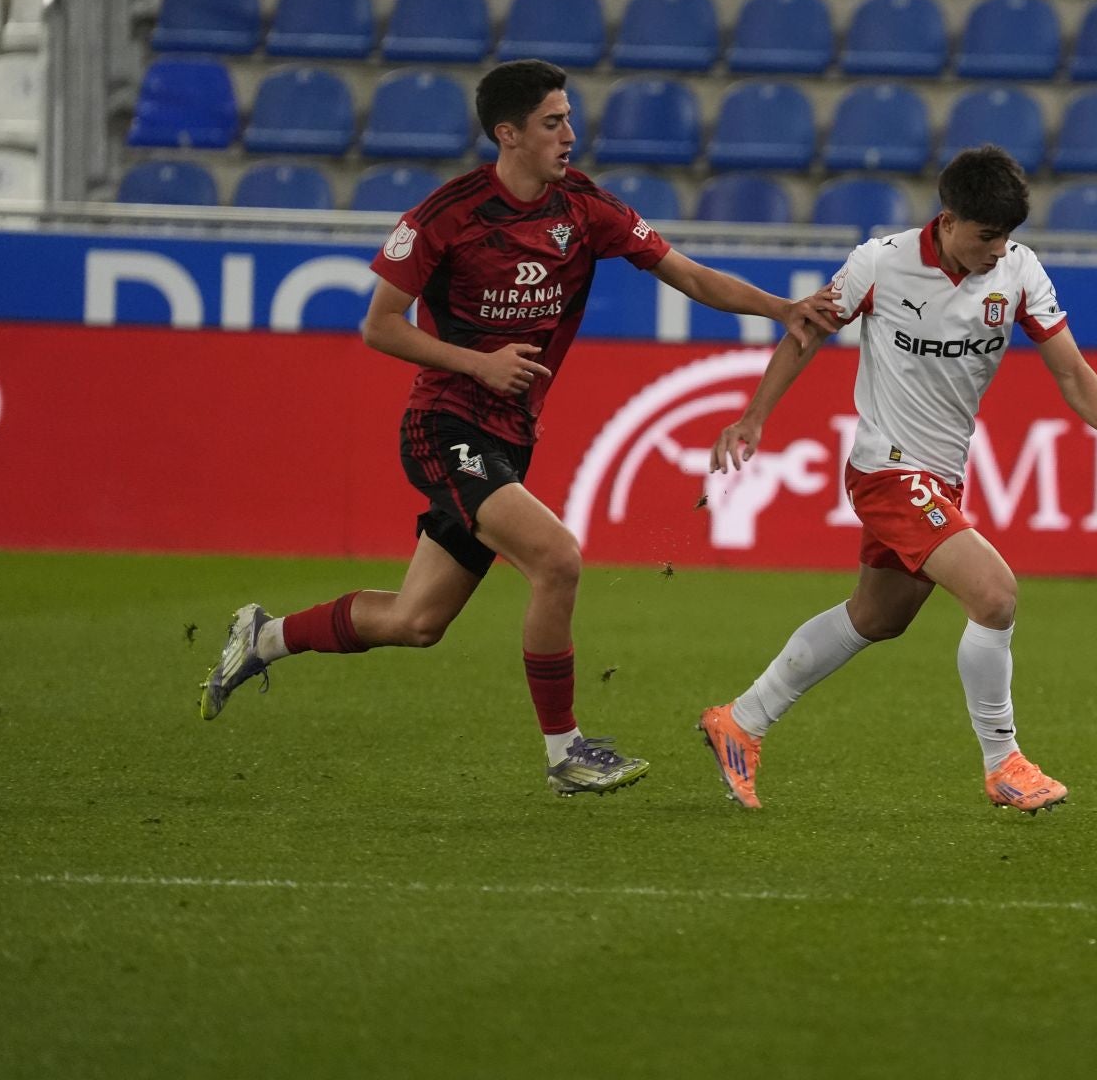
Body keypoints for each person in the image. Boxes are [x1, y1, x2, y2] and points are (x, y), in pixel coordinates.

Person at [199, 59, 838, 798]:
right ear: (509, 134)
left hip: (507, 438)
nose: (570, 133)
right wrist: (478, 363)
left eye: (568, 118)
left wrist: (781, 309)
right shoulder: (448, 215)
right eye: (553, 122)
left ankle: (265, 637)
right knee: (558, 560)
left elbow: (686, 273)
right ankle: (566, 752)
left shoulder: (585, 208)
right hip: (443, 424)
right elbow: (379, 327)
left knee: (416, 621)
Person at [697, 145, 1097, 814]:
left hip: (941, 477)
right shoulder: (880, 263)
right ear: (948, 221)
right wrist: (753, 418)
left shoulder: (1019, 271)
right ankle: (1004, 763)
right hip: (887, 469)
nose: (997, 250)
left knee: (877, 617)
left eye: (1007, 236)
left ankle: (741, 721)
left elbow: (1069, 370)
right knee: (996, 596)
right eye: (986, 236)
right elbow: (807, 332)